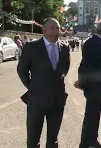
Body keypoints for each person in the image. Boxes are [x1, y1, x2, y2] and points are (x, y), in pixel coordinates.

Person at [17, 17, 70, 148]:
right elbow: (22, 70)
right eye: (52, 28)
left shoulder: (65, 48)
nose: (56, 31)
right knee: (33, 139)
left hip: (57, 100)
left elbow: (65, 69)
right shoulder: (32, 47)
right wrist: (33, 86)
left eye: (57, 28)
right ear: (44, 30)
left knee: (53, 138)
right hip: (37, 101)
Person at [75, 20, 101, 148]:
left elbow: (84, 65)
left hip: (95, 86)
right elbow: (87, 66)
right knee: (91, 117)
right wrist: (82, 82)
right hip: (93, 87)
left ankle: (92, 140)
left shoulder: (96, 42)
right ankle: (85, 143)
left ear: (96, 29)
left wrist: (81, 81)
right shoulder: (93, 43)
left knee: (94, 116)